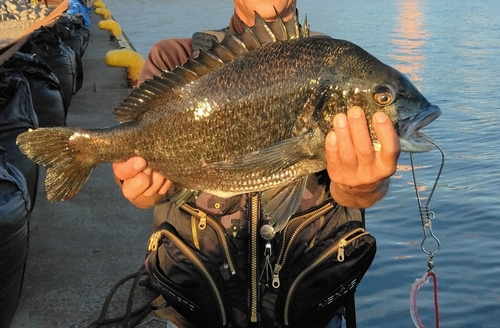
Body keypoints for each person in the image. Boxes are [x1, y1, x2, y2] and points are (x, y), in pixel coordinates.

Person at [112, 0, 400, 327]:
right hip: (196, 311)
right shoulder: (175, 59)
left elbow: (355, 198)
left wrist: (363, 187)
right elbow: (136, 162)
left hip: (309, 313)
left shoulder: (338, 66)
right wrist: (140, 189)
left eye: (384, 98)